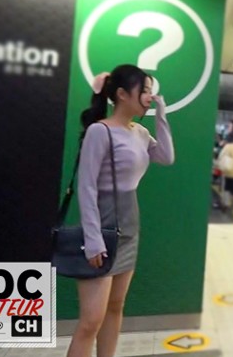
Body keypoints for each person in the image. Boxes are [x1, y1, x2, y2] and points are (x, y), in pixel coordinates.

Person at [69, 65, 174, 357]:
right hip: (101, 226)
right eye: (144, 91)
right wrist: (92, 240)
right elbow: (87, 187)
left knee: (116, 308)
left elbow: (166, 157)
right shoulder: (99, 131)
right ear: (122, 94)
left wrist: (161, 114)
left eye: (151, 91)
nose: (149, 96)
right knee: (91, 321)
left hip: (129, 224)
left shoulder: (139, 132)